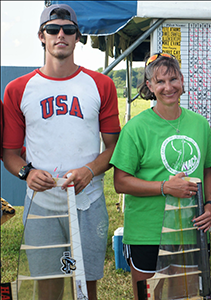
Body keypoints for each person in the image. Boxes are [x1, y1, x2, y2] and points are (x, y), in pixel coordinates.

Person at [2, 4, 120, 299]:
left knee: (85, 285)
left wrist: (89, 170)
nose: (61, 35)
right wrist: (27, 173)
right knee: (48, 287)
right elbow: (9, 153)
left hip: (88, 200)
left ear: (78, 37)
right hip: (42, 202)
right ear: (41, 36)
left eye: (68, 30)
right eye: (53, 29)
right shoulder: (18, 89)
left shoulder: (101, 85)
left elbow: (113, 148)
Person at [110, 52, 211, 299]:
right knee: (149, 295)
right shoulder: (136, 128)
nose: (168, 87)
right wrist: (164, 187)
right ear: (149, 86)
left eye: (173, 79)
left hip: (189, 228)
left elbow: (207, 170)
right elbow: (120, 182)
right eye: (160, 82)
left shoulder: (199, 124)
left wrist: (209, 206)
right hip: (148, 230)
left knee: (185, 295)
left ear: (182, 80)